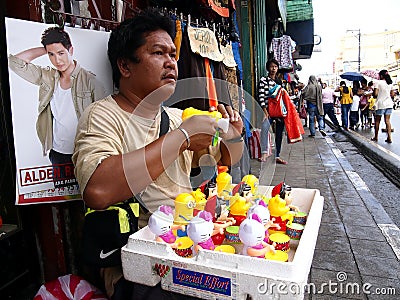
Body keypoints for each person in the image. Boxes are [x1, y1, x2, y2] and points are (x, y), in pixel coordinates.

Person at [72, 9, 244, 299]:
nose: (171, 63)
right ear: (125, 66)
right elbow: (97, 190)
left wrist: (233, 136)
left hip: (188, 247)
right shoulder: (103, 115)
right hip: (139, 264)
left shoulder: (178, 117)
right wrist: (182, 138)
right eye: (158, 53)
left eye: (173, 55)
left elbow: (227, 158)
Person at [8, 26, 106, 187]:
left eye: (61, 53)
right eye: (51, 55)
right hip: (58, 153)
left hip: (84, 154)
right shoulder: (48, 77)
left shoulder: (90, 81)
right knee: (64, 199)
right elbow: (15, 63)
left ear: (71, 50)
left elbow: (105, 121)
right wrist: (46, 48)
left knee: (88, 199)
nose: (57, 60)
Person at [257, 59, 287, 164]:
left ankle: (277, 155)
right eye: (271, 66)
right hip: (268, 110)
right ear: (268, 68)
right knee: (264, 129)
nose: (273, 69)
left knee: (279, 133)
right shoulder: (264, 80)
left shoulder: (279, 82)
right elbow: (261, 96)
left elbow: (282, 97)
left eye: (275, 66)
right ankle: (264, 153)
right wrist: (265, 111)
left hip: (278, 111)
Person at [371, 69, 393, 143]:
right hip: (389, 103)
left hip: (380, 104)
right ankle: (389, 137)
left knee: (377, 121)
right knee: (387, 121)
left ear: (381, 75)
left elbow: (375, 94)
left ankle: (376, 137)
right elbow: (392, 94)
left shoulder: (378, 82)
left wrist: (373, 93)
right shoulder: (390, 83)